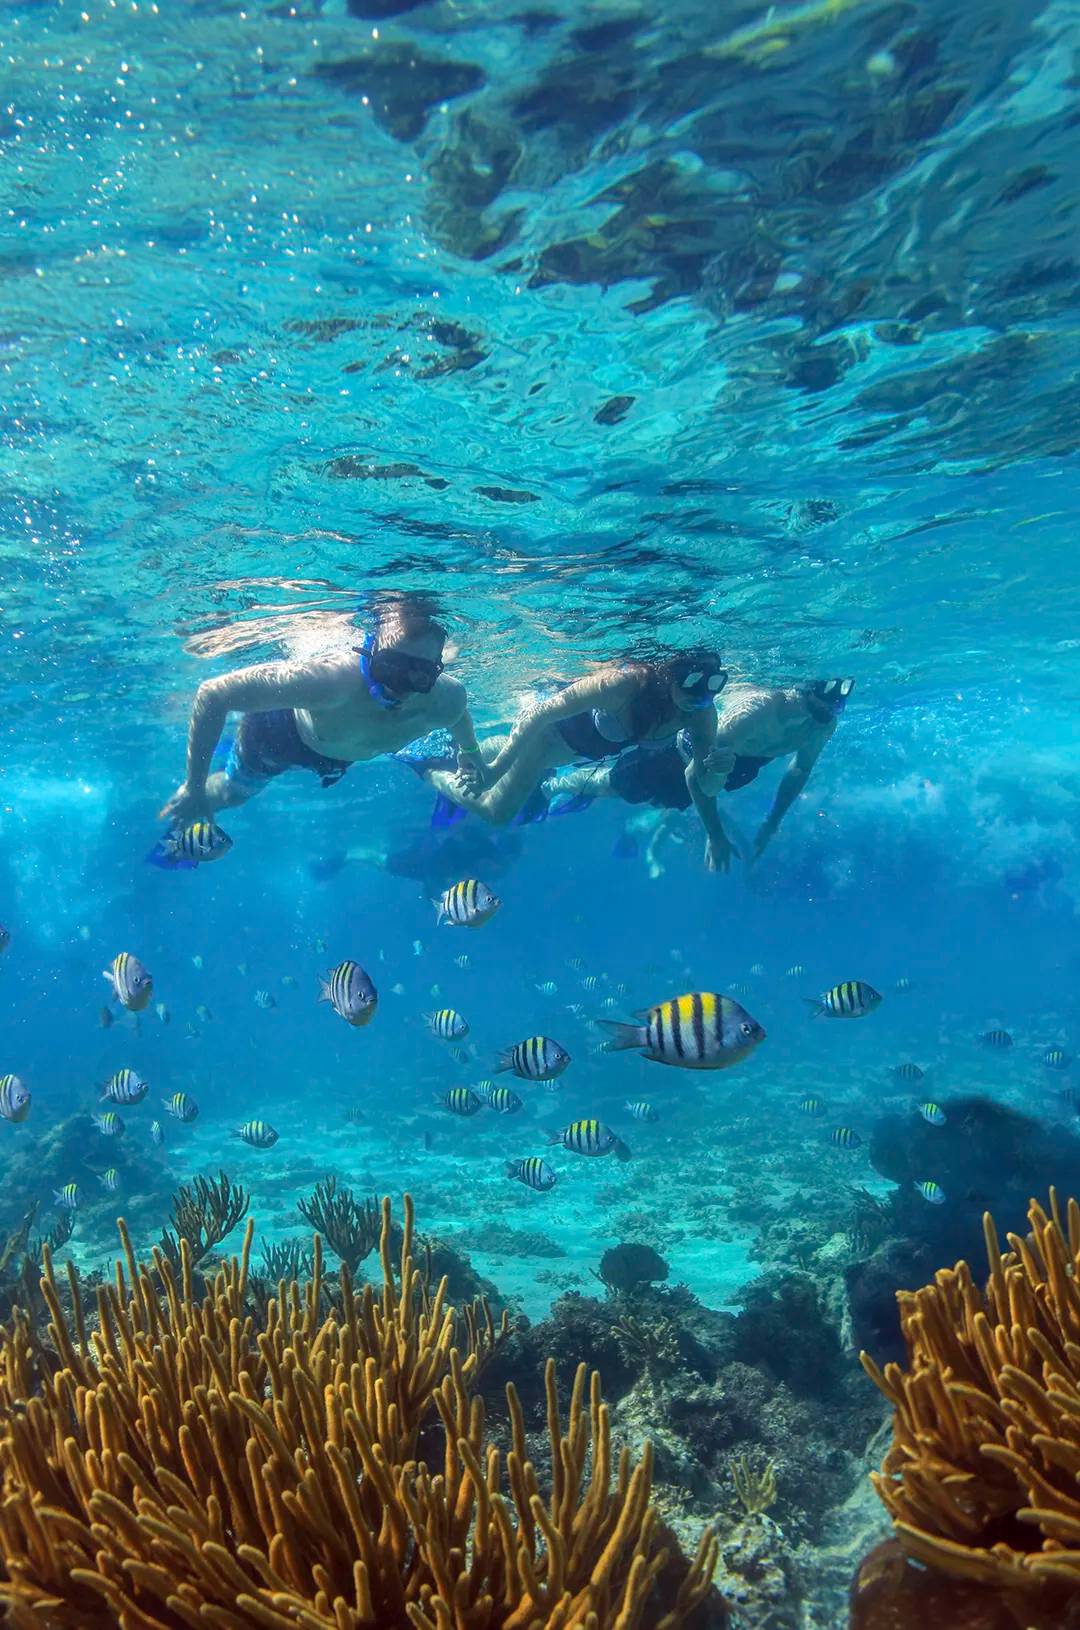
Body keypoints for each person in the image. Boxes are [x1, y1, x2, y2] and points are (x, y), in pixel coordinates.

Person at [159, 599, 486, 823]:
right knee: (233, 794)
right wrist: (195, 785)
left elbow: (457, 715)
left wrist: (470, 752)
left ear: (436, 672)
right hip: (280, 734)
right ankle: (184, 805)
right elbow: (212, 694)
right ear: (368, 651)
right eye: (388, 667)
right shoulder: (331, 682)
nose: (396, 688)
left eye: (418, 676)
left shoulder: (447, 698)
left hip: (339, 752)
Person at [419, 651, 736, 869]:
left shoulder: (699, 712)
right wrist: (493, 772)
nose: (701, 695)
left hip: (566, 753)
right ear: (670, 672)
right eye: (693, 681)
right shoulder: (626, 684)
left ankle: (456, 752)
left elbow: (702, 783)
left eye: (713, 684)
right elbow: (538, 713)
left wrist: (719, 775)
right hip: (546, 738)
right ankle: (430, 769)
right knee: (496, 812)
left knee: (512, 759)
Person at [537, 676, 854, 871]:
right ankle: (552, 784)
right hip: (680, 754)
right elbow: (695, 774)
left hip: (737, 765)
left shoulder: (823, 724)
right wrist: (715, 835)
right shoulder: (760, 711)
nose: (832, 709)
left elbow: (800, 768)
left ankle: (566, 785)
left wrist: (773, 821)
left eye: (840, 703)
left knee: (644, 798)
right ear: (807, 688)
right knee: (616, 784)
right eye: (828, 699)